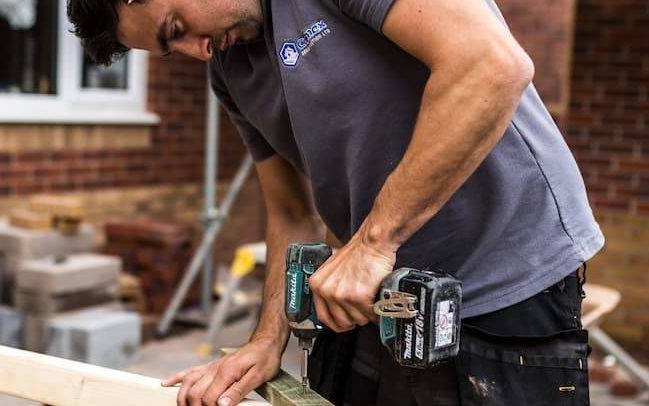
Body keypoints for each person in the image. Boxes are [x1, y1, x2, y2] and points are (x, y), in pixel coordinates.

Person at [68, 0, 604, 404]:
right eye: (171, 50)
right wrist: (266, 339)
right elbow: (289, 210)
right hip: (371, 300)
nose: (195, 51)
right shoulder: (230, 68)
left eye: (177, 29)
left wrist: (373, 242)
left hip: (505, 284)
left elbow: (491, 64)